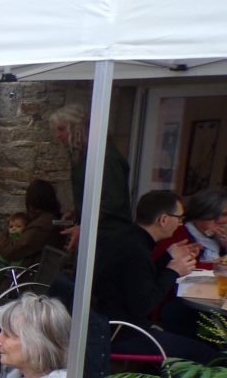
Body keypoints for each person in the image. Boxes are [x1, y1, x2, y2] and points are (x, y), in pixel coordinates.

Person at [92, 190, 215, 363]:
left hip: (110, 323)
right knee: (208, 354)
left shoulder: (128, 237)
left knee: (201, 337)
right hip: (123, 331)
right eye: (179, 218)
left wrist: (168, 257)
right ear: (163, 219)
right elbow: (143, 306)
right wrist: (173, 272)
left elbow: (138, 280)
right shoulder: (137, 251)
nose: (180, 223)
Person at [49, 104, 133, 251]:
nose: (58, 135)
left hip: (109, 238)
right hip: (98, 236)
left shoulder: (106, 157)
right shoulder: (86, 156)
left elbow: (113, 201)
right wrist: (77, 209)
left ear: (77, 127)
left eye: (62, 129)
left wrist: (84, 226)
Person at [153, 187, 227, 267]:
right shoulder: (176, 234)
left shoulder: (221, 238)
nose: (223, 220)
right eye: (219, 214)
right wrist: (216, 264)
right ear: (201, 213)